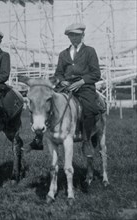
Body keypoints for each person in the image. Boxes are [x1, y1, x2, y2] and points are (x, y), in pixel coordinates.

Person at [29, 23, 102, 151]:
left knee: (90, 108)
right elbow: (58, 73)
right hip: (65, 86)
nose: (74, 38)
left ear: (82, 35)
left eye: (77, 35)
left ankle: (86, 140)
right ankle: (38, 138)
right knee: (44, 102)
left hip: (84, 86)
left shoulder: (90, 51)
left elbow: (96, 73)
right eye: (71, 36)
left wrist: (82, 82)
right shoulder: (63, 54)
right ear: (68, 37)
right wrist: (62, 81)